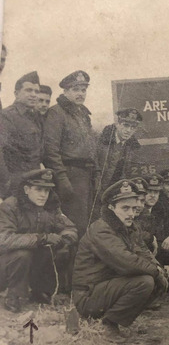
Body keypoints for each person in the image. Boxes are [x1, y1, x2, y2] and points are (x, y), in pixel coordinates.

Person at [72, 179, 168, 339]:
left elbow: (143, 251)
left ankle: (109, 317)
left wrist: (159, 269)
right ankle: (108, 324)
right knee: (145, 282)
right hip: (87, 295)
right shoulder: (101, 229)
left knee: (152, 278)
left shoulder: (127, 226)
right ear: (111, 207)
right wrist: (155, 272)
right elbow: (125, 261)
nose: (131, 213)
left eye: (134, 208)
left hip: (106, 287)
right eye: (125, 208)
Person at [0, 169, 77, 312]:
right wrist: (40, 238)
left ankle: (40, 290)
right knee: (22, 253)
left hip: (30, 263)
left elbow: (69, 227)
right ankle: (13, 295)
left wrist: (64, 238)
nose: (43, 195)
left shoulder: (51, 206)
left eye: (47, 191)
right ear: (26, 189)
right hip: (5, 264)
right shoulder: (10, 206)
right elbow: (3, 239)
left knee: (60, 248)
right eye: (39, 190)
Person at [43, 70, 99, 237]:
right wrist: (62, 179)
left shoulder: (83, 114)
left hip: (87, 176)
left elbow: (91, 148)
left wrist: (96, 173)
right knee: (75, 225)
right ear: (65, 91)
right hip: (70, 175)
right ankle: (73, 262)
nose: (81, 94)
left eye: (83, 90)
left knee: (90, 222)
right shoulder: (56, 113)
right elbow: (51, 150)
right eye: (76, 89)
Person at [0, 72, 43, 199]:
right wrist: (6, 183)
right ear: (16, 93)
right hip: (15, 184)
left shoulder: (36, 117)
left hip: (34, 183)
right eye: (29, 90)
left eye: (36, 91)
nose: (34, 95)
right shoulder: (6, 116)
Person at [97, 108, 143, 198]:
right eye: (125, 125)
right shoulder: (101, 141)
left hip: (116, 190)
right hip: (97, 188)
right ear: (117, 124)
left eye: (132, 127)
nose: (128, 130)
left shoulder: (132, 146)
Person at [135, 174, 163, 253]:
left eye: (156, 192)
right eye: (149, 192)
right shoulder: (135, 210)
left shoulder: (160, 209)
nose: (153, 196)